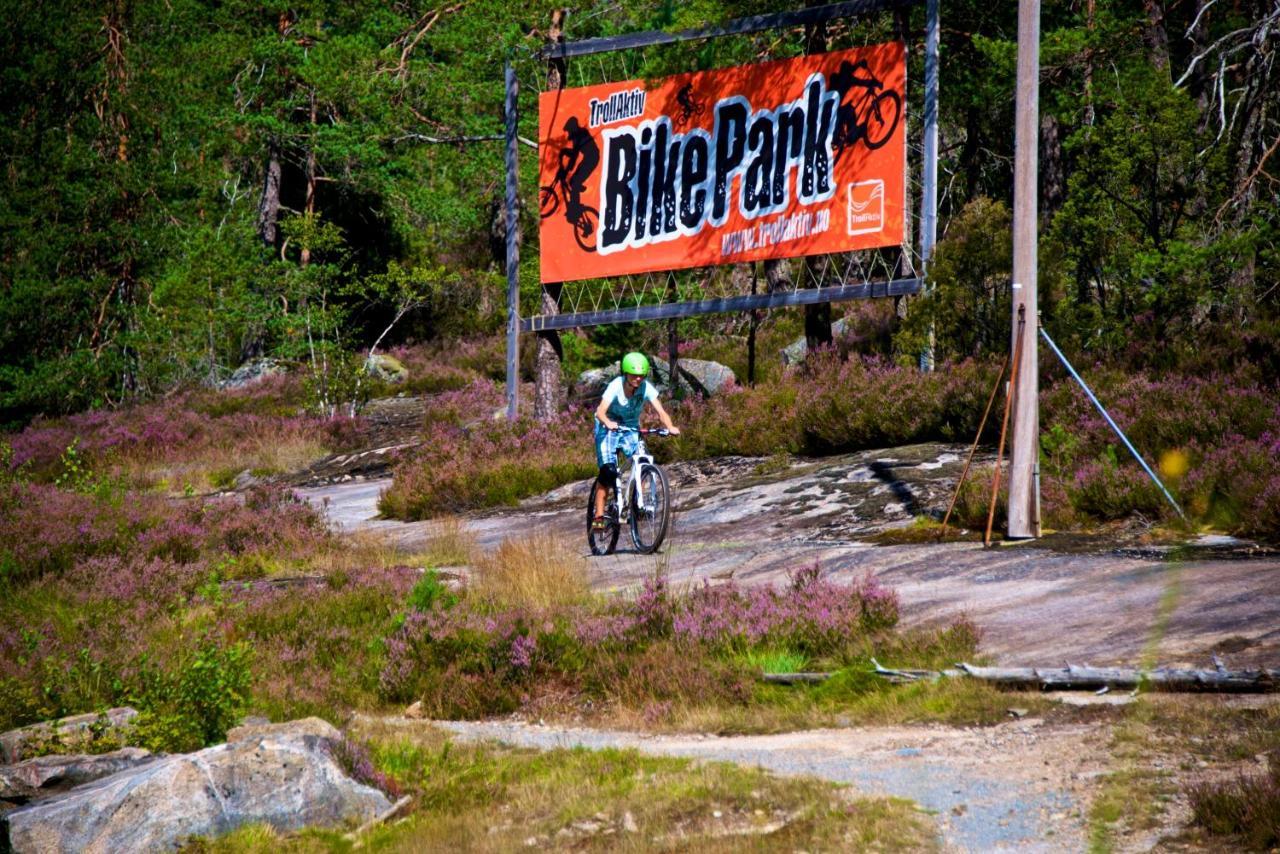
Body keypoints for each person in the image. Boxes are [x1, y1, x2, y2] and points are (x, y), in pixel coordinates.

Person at [591, 351, 680, 531]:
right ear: (625, 373)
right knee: (608, 472)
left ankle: (636, 501)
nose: (638, 379)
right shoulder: (615, 386)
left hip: (630, 427)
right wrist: (609, 423)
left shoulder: (646, 388)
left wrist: (670, 426)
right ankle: (599, 516)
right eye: (634, 375)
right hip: (607, 426)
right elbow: (600, 411)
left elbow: (661, 412)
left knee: (643, 460)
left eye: (641, 376)